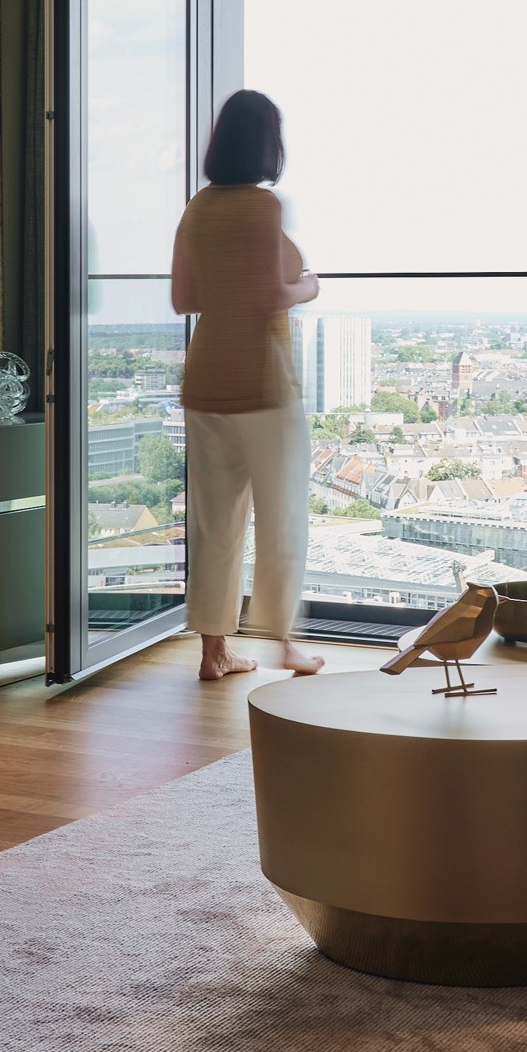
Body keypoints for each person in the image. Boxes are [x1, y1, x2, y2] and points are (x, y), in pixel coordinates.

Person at [172, 90, 324, 680]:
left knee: (215, 523)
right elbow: (271, 295)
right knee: (282, 515)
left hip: (206, 376)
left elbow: (185, 299)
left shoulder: (197, 208)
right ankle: (283, 643)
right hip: (263, 379)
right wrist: (310, 284)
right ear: (269, 143)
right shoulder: (264, 209)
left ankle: (214, 653)